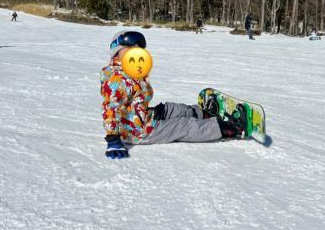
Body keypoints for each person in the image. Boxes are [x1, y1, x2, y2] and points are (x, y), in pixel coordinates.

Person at [100, 30, 247, 159]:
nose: (136, 51)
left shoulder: (131, 71)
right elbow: (110, 108)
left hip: (142, 117)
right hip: (138, 131)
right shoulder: (117, 79)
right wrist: (113, 140)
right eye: (130, 48)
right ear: (116, 51)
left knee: (170, 109)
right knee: (182, 126)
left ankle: (204, 113)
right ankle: (226, 128)